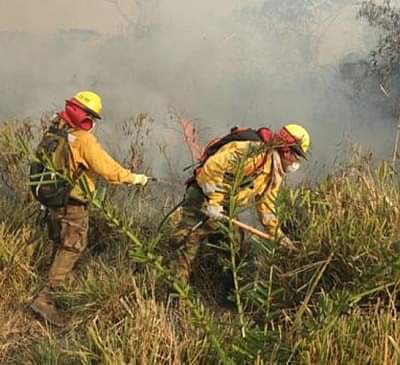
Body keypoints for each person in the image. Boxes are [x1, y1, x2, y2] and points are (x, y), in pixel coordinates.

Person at [30, 91, 150, 326]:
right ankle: (46, 297)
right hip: (73, 204)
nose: (92, 122)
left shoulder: (54, 131)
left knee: (60, 242)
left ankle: (57, 282)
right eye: (92, 117)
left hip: (53, 201)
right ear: (85, 116)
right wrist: (134, 178)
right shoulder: (83, 139)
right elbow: (107, 169)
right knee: (73, 247)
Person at [170, 124, 310, 283]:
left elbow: (267, 210)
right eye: (296, 157)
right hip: (202, 195)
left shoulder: (274, 173)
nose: (296, 162)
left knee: (233, 240)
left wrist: (280, 237)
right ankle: (174, 294)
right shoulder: (253, 154)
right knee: (188, 243)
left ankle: (220, 288)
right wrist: (214, 202)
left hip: (224, 205)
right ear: (286, 151)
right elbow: (213, 166)